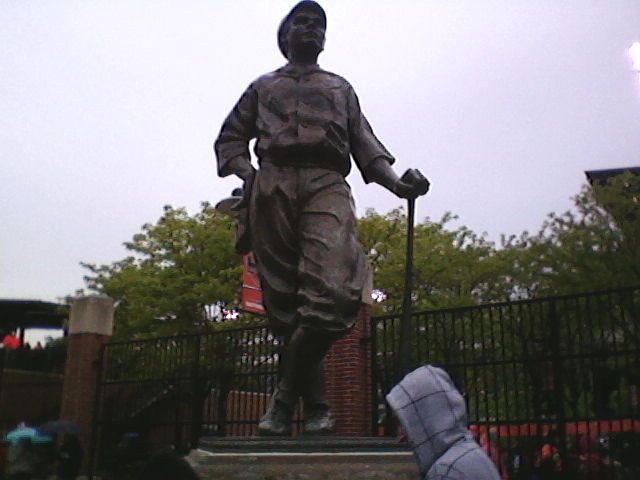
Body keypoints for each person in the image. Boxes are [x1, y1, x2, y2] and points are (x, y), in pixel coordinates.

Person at [214, 0, 429, 436]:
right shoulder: (263, 86)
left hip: (325, 182)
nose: (312, 28)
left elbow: (365, 146)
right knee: (286, 311)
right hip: (272, 187)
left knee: (332, 294)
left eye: (319, 24)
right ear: (286, 34)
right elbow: (230, 140)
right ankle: (317, 408)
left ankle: (282, 400)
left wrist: (398, 186)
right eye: (304, 22)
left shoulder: (340, 88)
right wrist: (249, 176)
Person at [386, 365, 501, 480]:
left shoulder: (446, 471)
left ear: (423, 418)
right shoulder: (468, 454)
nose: (401, 435)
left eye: (404, 422)